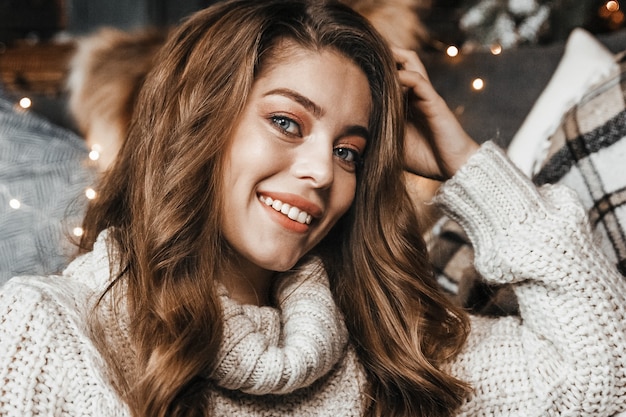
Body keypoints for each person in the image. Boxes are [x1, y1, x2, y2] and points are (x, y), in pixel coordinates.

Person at [0, 0, 625, 416]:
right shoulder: (53, 331)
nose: (324, 171)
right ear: (195, 125)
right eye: (285, 122)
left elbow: (602, 380)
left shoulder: (384, 345)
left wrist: (470, 167)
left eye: (350, 152)